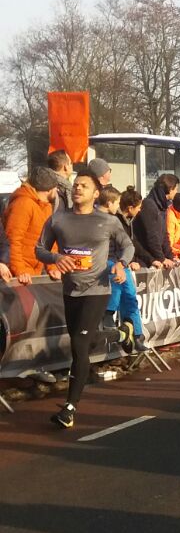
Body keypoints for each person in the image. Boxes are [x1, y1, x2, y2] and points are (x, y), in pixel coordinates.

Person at [36, 170, 134, 429]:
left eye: (84, 186)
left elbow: (128, 245)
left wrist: (122, 264)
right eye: (76, 185)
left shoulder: (108, 221)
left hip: (98, 290)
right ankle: (121, 334)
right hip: (71, 291)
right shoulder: (58, 220)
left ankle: (69, 408)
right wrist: (56, 259)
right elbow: (40, 249)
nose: (77, 189)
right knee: (84, 344)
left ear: (96, 193)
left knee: (79, 347)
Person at [97, 186, 147, 353]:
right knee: (117, 279)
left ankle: (137, 335)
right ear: (110, 202)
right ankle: (109, 313)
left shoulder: (117, 220)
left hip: (119, 261)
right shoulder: (101, 219)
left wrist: (126, 261)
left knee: (131, 296)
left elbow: (128, 244)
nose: (118, 206)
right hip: (105, 261)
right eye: (116, 202)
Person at [2, 167, 58, 280]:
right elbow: (13, 240)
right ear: (49, 189)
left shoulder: (46, 206)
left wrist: (53, 267)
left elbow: (49, 242)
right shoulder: (23, 204)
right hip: (19, 276)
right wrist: (20, 270)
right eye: (56, 187)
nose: (57, 191)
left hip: (33, 273)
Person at [134, 173, 179, 263]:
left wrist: (171, 256)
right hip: (146, 261)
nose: (176, 192)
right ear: (170, 189)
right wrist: (161, 258)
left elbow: (164, 234)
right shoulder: (149, 205)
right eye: (176, 189)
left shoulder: (163, 206)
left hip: (156, 259)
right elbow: (151, 236)